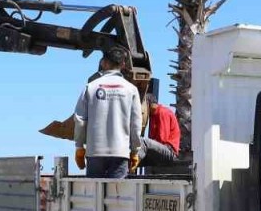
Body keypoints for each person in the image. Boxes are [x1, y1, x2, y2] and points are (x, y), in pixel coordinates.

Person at [73, 47, 142, 178]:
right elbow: (136, 124)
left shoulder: (91, 87)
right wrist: (135, 151)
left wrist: (79, 147)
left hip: (95, 152)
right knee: (116, 196)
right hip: (120, 153)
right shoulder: (131, 90)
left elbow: (80, 120)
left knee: (94, 196)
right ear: (123, 64)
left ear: (103, 63)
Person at [139, 95, 180, 168]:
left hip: (169, 152)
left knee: (142, 141)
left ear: (148, 103)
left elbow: (162, 140)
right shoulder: (152, 116)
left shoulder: (162, 112)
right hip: (160, 152)